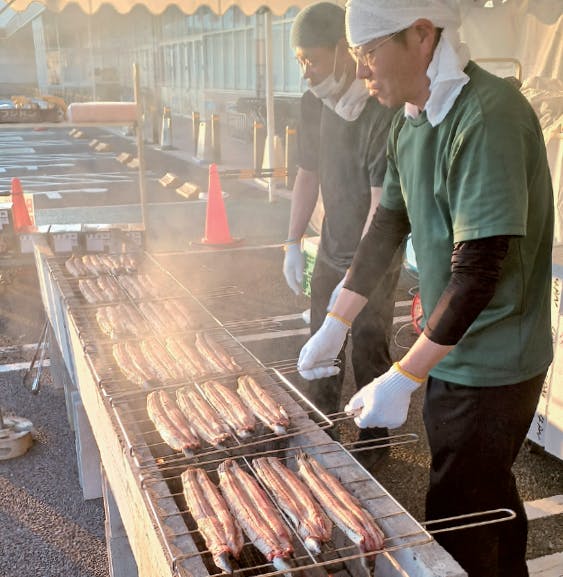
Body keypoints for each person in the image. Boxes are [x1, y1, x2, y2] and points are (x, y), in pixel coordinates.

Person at [297, 1, 554, 576]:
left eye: (367, 52)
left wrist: (404, 374)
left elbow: (480, 270)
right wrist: (335, 320)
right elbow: (388, 223)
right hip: (453, 352)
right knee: (488, 498)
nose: (361, 69)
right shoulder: (410, 118)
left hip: (494, 359)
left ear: (420, 35)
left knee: (458, 518)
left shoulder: (486, 116)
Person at [283, 1, 402, 469]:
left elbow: (382, 207)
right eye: (300, 61)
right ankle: (321, 435)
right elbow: (307, 173)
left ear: (342, 50)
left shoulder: (379, 108)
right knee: (321, 348)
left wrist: (355, 280)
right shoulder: (313, 102)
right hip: (331, 247)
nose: (307, 72)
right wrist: (291, 241)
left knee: (370, 346)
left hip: (375, 257)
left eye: (312, 59)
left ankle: (374, 447)